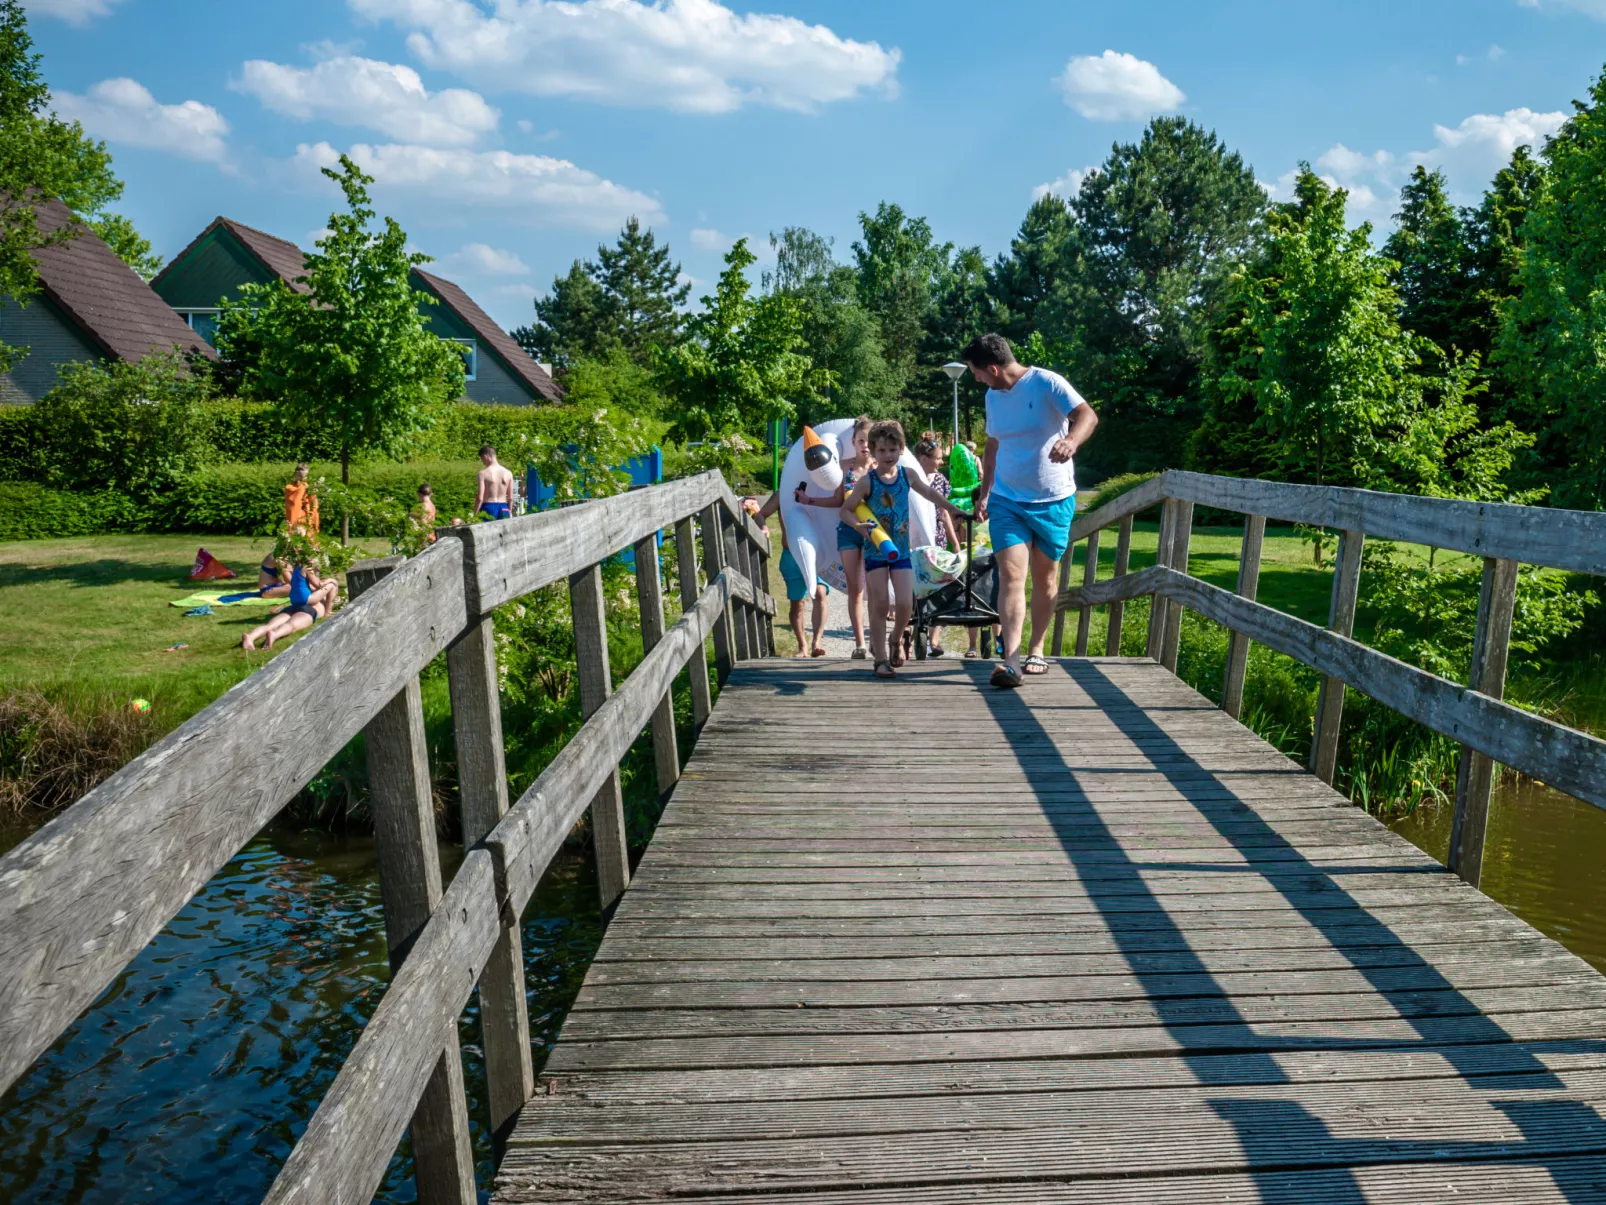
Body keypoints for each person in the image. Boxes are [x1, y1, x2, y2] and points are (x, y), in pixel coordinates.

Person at [964, 332, 1099, 689]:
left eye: (975, 371)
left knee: (1046, 578)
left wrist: (1071, 440)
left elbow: (1087, 415)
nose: (975, 378)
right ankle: (1010, 661)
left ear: (992, 367)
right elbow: (992, 445)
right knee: (1011, 576)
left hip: (1053, 500)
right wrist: (986, 492)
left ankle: (1035, 649)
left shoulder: (1047, 383)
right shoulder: (993, 397)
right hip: (1008, 500)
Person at [840, 420, 968, 679]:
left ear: (901, 449)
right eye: (882, 450)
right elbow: (845, 510)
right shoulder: (867, 483)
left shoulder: (908, 475)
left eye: (893, 449)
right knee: (880, 604)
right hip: (876, 551)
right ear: (873, 453)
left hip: (901, 551)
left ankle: (896, 638)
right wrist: (858, 526)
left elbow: (930, 494)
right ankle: (880, 660)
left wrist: (952, 508)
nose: (888, 455)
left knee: (905, 604)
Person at [793, 416, 873, 659]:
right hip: (849, 530)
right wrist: (810, 501)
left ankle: (882, 642)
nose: (865, 446)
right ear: (853, 441)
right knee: (856, 590)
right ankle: (860, 644)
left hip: (875, 533)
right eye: (860, 441)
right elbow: (839, 501)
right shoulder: (844, 467)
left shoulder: (883, 466)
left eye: (869, 441)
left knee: (877, 589)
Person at [755, 492, 828, 658]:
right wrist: (764, 527)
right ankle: (802, 646)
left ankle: (817, 642)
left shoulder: (820, 488)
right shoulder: (783, 493)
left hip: (818, 553)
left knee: (820, 592)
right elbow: (761, 514)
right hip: (791, 554)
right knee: (797, 604)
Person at [913, 437, 961, 658]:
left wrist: (955, 543)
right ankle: (913, 627)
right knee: (916, 585)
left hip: (937, 538)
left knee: (939, 585)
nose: (942, 462)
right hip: (915, 538)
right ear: (924, 459)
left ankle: (934, 639)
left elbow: (944, 513)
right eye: (939, 458)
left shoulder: (941, 480)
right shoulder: (910, 478)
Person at [242, 565, 337, 650]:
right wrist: (328, 610)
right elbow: (328, 594)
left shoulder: (305, 580)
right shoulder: (321, 595)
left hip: (292, 607)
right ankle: (275, 634)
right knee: (291, 625)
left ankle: (250, 636)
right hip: (309, 610)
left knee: (269, 626)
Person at [474, 445, 516, 520]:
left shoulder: (483, 473)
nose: (483, 462)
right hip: (504, 507)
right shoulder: (508, 473)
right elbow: (510, 498)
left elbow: (480, 498)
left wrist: (475, 514)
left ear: (485, 456)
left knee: (487, 531)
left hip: (488, 507)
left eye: (482, 459)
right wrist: (509, 511)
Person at [284, 464, 319, 533]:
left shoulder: (310, 487)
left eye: (303, 475)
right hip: (295, 515)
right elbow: (292, 501)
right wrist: (302, 488)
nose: (301, 477)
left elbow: (314, 503)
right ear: (295, 474)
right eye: (299, 474)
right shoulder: (290, 487)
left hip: (307, 514)